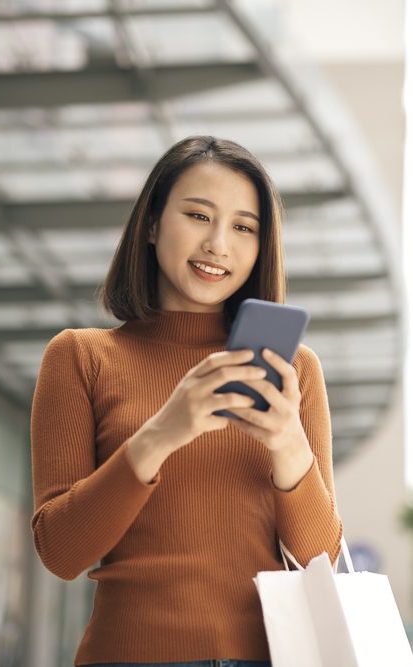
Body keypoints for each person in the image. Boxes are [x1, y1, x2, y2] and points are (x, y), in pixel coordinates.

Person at [30, 135, 343, 667]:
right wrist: (162, 433)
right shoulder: (81, 357)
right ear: (152, 225)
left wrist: (289, 446)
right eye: (199, 216)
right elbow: (61, 553)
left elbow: (321, 560)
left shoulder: (295, 372)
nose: (219, 244)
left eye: (244, 227)